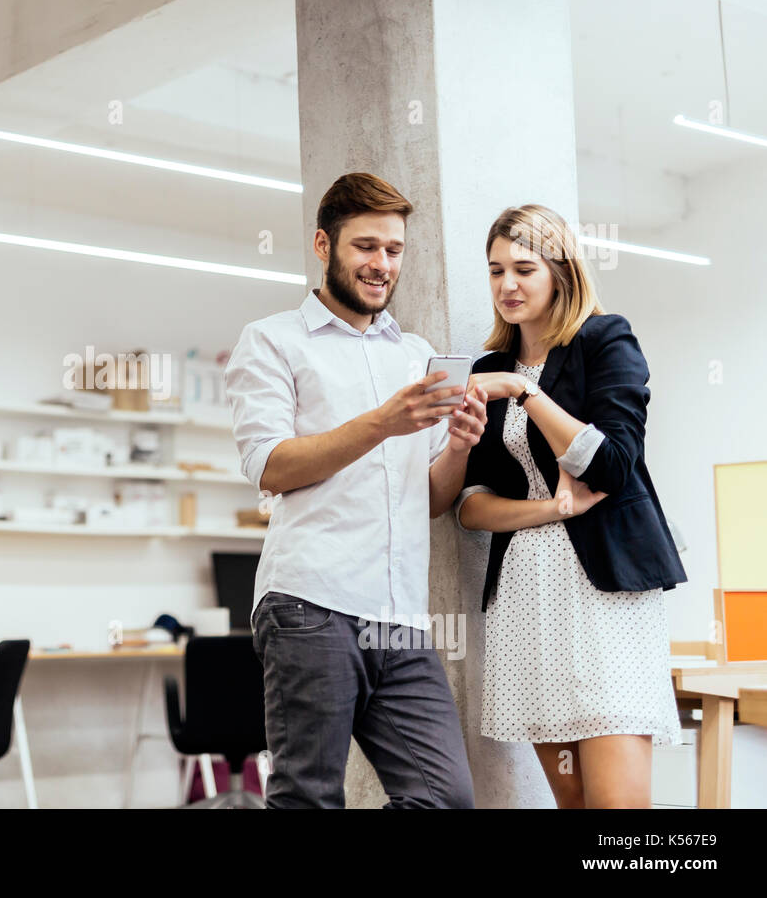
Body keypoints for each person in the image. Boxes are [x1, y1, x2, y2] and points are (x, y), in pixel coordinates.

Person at [224, 172, 488, 808]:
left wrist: (458, 446)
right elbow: (270, 466)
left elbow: (427, 500)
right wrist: (382, 424)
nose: (381, 264)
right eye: (365, 246)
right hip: (310, 604)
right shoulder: (272, 341)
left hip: (398, 617)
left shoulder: (415, 354)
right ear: (323, 245)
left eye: (393, 250)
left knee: (444, 798)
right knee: (310, 795)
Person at [458, 204, 686, 808]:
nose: (507, 285)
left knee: (617, 812)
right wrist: (552, 509)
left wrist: (528, 393)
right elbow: (472, 507)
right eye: (495, 270)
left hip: (604, 596)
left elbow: (613, 464)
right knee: (574, 804)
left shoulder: (604, 340)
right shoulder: (487, 371)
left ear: (560, 271)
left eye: (525, 269)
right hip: (528, 600)